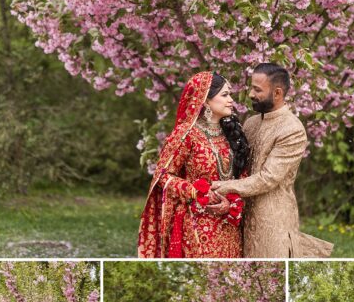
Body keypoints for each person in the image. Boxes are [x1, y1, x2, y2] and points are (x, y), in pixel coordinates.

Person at [212, 63, 333, 258]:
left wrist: (224, 187)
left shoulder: (292, 129)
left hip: (273, 222)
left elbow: (268, 178)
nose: (251, 94)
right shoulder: (251, 123)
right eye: (251, 88)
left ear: (277, 93)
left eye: (257, 90)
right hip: (241, 217)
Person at [138, 71, 249, 258]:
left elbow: (242, 177)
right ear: (206, 101)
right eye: (224, 95)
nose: (231, 100)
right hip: (197, 224)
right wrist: (196, 192)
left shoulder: (233, 133)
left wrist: (232, 202)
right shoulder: (187, 134)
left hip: (230, 225)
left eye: (230, 94)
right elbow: (163, 175)